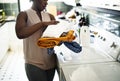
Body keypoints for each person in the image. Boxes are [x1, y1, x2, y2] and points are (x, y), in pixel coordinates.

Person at [15, 0, 59, 81]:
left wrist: (63, 38)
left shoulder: (50, 16)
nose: (46, 2)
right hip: (33, 63)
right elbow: (20, 34)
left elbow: (55, 40)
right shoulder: (24, 14)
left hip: (51, 62)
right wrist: (42, 24)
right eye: (44, 0)